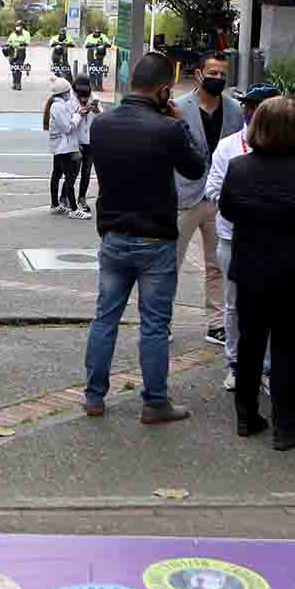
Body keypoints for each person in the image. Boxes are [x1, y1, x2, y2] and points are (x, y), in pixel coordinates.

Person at [84, 52, 206, 422]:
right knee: (154, 323)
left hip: (114, 236)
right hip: (155, 240)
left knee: (105, 318)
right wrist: (181, 124)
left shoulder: (101, 124)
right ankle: (154, 402)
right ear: (165, 90)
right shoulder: (167, 129)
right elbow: (196, 167)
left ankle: (94, 397)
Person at [219, 97, 295, 450]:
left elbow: (226, 209)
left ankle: (246, 416)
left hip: (251, 267)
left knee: (250, 339)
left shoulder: (239, 167)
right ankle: (285, 426)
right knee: (287, 342)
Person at [205, 83, 281, 391]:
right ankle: (236, 363)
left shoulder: (293, 148)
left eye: (258, 107)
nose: (250, 112)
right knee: (235, 305)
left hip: (276, 243)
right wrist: (247, 201)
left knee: (273, 306)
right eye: (248, 106)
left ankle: (267, 364)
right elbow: (212, 189)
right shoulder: (229, 146)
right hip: (233, 239)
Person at [174, 51, 241, 346]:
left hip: (220, 198)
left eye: (223, 74)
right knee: (169, 264)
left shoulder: (235, 109)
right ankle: (161, 322)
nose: (218, 79)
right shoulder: (177, 107)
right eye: (212, 73)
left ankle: (216, 324)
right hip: (184, 197)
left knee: (217, 265)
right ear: (199, 74)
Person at [44, 78, 88, 218]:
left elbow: (71, 114)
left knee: (57, 174)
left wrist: (79, 112)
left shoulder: (60, 105)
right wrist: (78, 116)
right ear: (63, 93)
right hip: (64, 147)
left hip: (60, 147)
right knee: (69, 177)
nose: (70, 93)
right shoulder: (58, 107)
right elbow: (68, 128)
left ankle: (55, 204)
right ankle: (74, 209)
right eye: (68, 91)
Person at [73, 74, 101, 214]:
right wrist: (79, 113)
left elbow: (102, 118)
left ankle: (82, 198)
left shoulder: (94, 99)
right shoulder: (71, 101)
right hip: (75, 141)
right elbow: (69, 122)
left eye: (86, 93)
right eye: (80, 94)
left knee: (86, 172)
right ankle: (66, 197)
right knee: (72, 172)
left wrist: (96, 111)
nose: (83, 97)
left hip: (90, 142)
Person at [6, 22, 32, 89]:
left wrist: (21, 44)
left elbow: (27, 42)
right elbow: (8, 41)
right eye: (16, 26)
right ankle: (14, 83)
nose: (17, 27)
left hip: (21, 51)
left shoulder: (26, 33)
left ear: (22, 26)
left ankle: (18, 84)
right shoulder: (13, 34)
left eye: (18, 25)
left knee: (18, 67)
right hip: (12, 51)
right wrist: (8, 45)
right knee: (13, 68)